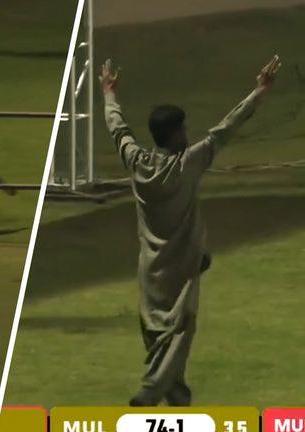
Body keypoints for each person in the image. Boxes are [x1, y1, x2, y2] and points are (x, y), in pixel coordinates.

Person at [99, 55, 281, 406]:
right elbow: (226, 128)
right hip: (182, 266)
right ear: (175, 134)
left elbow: (117, 128)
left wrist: (109, 93)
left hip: (150, 267)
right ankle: (150, 392)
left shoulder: (137, 162)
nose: (188, 133)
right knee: (179, 333)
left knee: (156, 333)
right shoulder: (188, 164)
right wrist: (259, 91)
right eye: (183, 128)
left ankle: (177, 398)